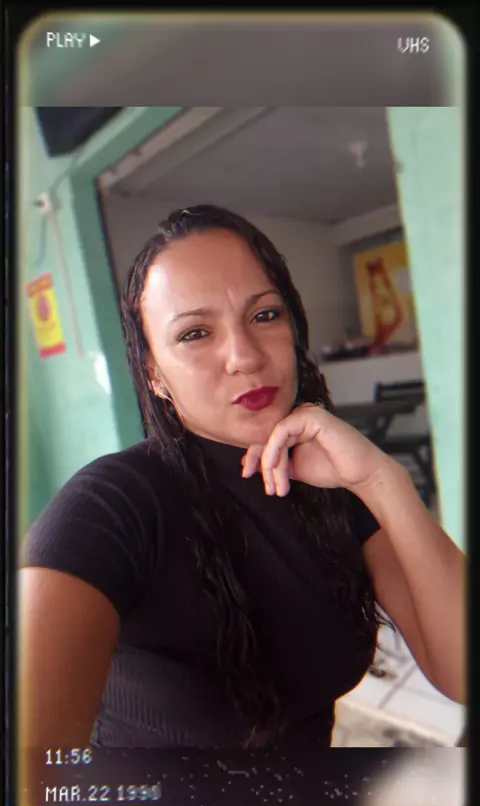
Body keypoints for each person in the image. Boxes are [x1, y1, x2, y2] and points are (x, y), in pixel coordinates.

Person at [18, 205, 465, 756]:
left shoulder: (337, 485)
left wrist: (382, 479)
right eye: (195, 333)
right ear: (155, 374)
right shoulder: (113, 505)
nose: (245, 357)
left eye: (265, 315)